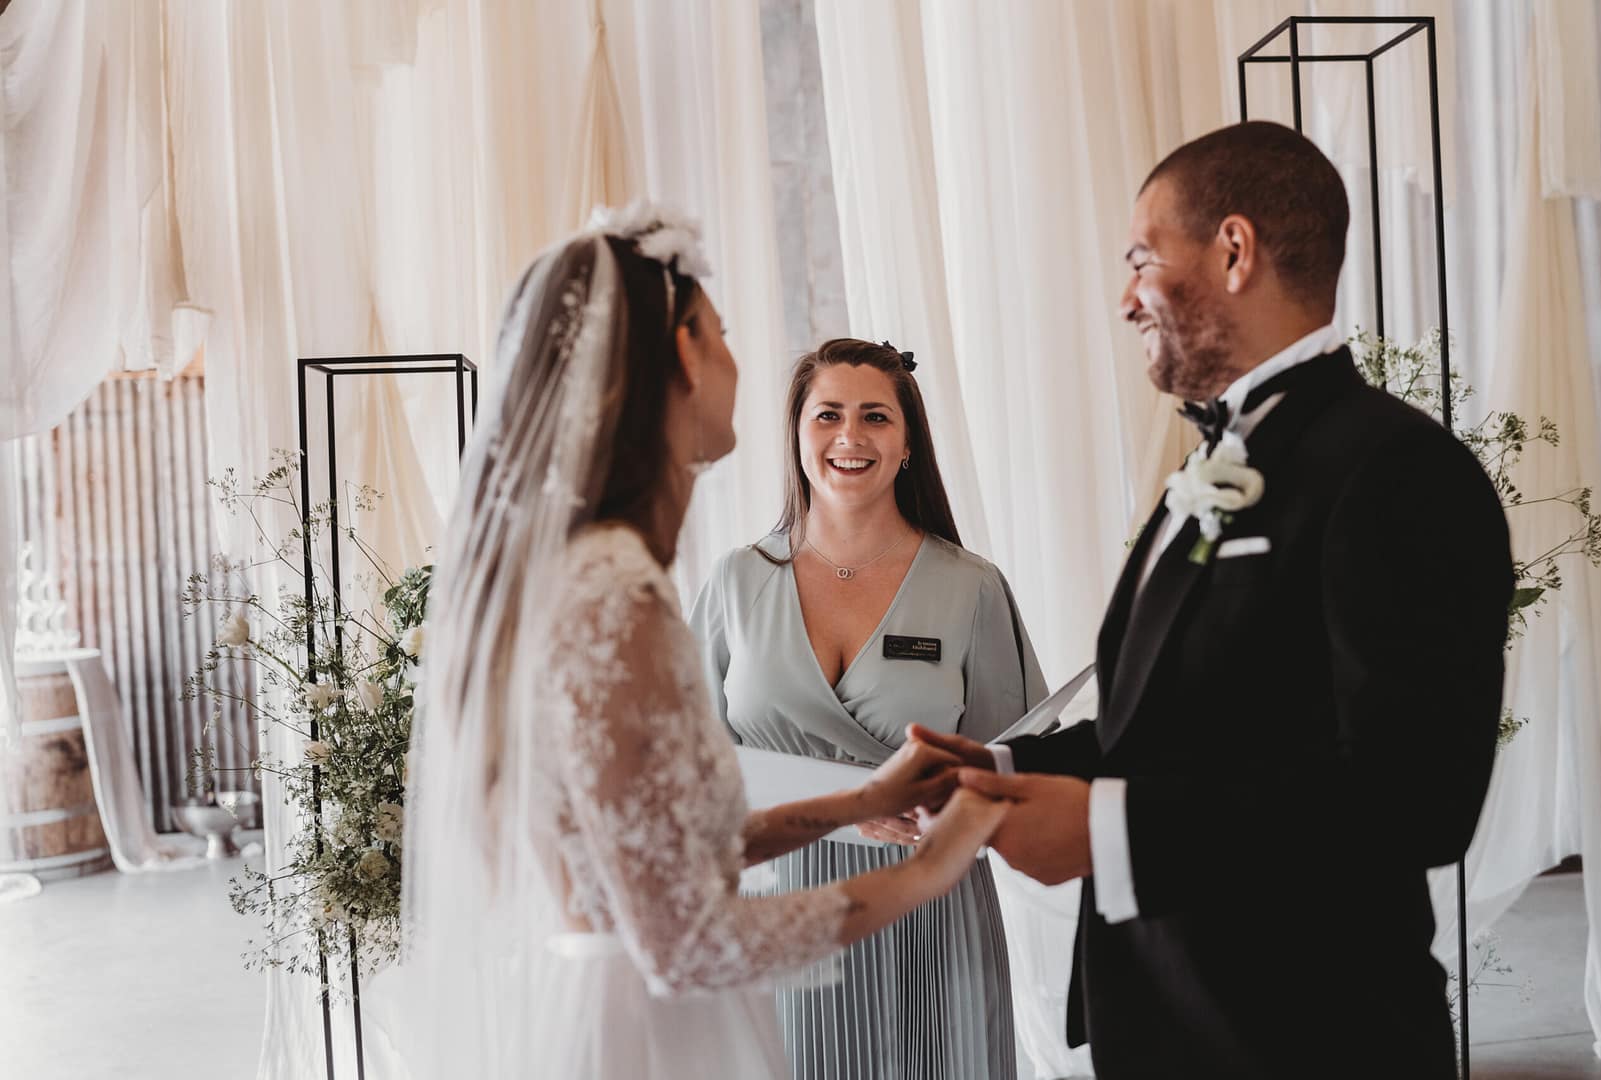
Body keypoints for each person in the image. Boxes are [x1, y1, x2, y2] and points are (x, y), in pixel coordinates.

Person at [913, 121, 1514, 1078]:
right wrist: (996, 765)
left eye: (1141, 258)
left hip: (1309, 1037)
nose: (1123, 299)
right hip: (1165, 1025)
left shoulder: (1396, 470)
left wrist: (1108, 828)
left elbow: (1416, 801)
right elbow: (1179, 725)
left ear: (1233, 251)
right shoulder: (1208, 466)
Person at [400, 204, 1008, 1079]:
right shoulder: (618, 591)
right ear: (684, 353)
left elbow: (660, 850)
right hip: (648, 1034)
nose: (732, 360)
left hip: (629, 1000)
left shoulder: (592, 569)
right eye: (719, 334)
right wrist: (933, 865)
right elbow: (686, 942)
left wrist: (855, 800)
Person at [690, 338, 1044, 1079]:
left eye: (875, 417)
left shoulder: (971, 588)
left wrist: (947, 808)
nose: (849, 437)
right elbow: (689, 771)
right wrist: (846, 807)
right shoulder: (733, 581)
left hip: (932, 906)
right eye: (827, 416)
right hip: (777, 908)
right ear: (796, 434)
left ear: (907, 443)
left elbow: (1013, 767)